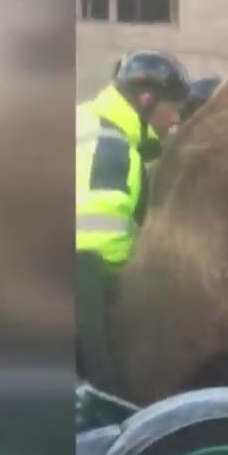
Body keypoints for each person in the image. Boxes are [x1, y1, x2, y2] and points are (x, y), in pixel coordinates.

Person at [76, 50, 190, 393]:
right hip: (83, 281)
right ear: (146, 100)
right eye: (173, 108)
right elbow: (95, 237)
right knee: (107, 402)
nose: (174, 120)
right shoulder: (112, 145)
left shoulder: (85, 120)